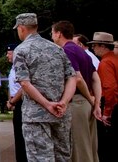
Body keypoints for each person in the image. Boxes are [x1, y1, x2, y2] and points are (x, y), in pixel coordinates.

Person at [12, 13, 77, 162]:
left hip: (36, 116)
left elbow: (24, 83)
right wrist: (64, 102)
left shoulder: (21, 50)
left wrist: (47, 105)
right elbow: (72, 77)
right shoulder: (57, 49)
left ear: (21, 28)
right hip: (61, 114)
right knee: (62, 157)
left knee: (40, 158)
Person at [52, 21, 101, 162]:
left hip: (77, 103)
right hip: (86, 104)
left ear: (59, 33)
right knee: (90, 147)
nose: (52, 37)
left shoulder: (66, 51)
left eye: (52, 33)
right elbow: (95, 78)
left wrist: (90, 98)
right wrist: (96, 103)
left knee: (79, 149)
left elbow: (77, 78)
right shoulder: (82, 51)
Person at [87, 32, 118, 162]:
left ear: (103, 46)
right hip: (114, 104)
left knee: (107, 146)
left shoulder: (106, 62)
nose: (92, 48)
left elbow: (110, 88)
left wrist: (107, 112)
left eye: (94, 45)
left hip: (111, 106)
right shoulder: (115, 59)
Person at [5, 43, 27, 162]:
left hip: (22, 103)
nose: (7, 56)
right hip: (15, 102)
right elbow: (11, 87)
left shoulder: (21, 66)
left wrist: (13, 101)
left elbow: (23, 87)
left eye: (9, 53)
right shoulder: (13, 69)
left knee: (23, 136)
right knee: (18, 136)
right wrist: (10, 100)